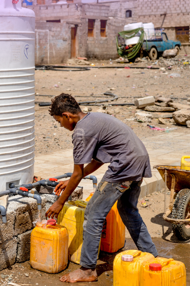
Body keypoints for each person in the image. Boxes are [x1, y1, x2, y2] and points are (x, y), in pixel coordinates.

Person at [45, 93, 158, 283]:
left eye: (59, 121)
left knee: (93, 213)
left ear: (67, 116)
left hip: (124, 166)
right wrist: (73, 180)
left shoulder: (80, 132)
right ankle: (151, 255)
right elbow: (98, 160)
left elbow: (77, 173)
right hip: (139, 159)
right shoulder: (94, 118)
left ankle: (87, 269)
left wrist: (59, 202)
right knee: (127, 209)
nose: (61, 126)